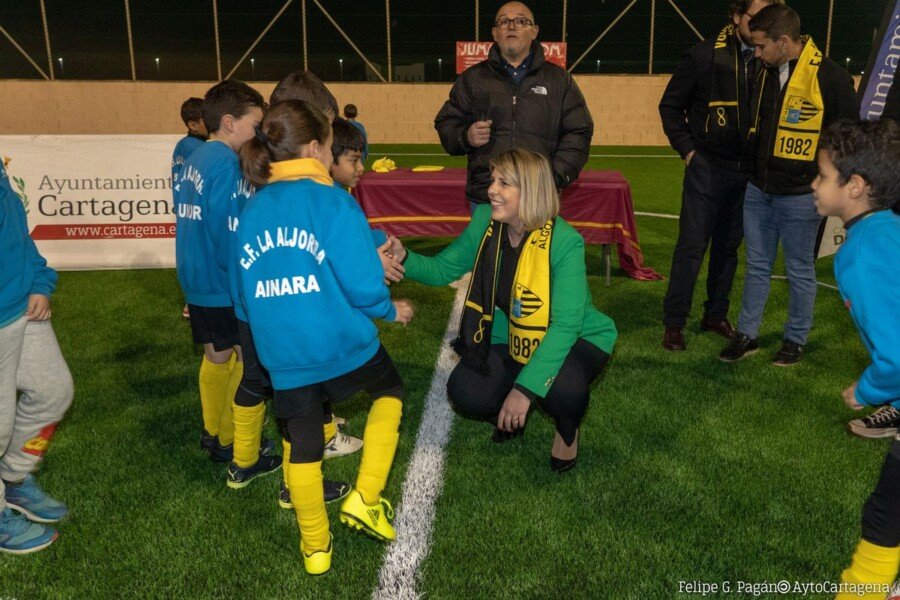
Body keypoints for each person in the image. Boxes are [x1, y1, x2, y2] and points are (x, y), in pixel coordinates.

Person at [237, 99, 413, 575]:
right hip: (341, 341)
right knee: (390, 394)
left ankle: (315, 549)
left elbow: (242, 294)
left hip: (284, 354)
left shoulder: (251, 208)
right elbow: (360, 281)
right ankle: (366, 498)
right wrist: (387, 308)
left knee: (305, 442)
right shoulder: (332, 201)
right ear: (315, 148)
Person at [389, 148, 616, 471]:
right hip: (511, 335)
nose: (492, 190)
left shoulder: (565, 241)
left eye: (504, 183)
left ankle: (567, 429)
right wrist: (404, 257)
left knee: (564, 390)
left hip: (577, 338)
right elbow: (443, 269)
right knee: (466, 391)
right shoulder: (485, 220)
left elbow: (565, 326)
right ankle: (511, 407)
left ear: (531, 190)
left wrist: (523, 391)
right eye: (493, 180)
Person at [719, 4, 858, 365]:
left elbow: (848, 138)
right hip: (758, 189)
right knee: (757, 266)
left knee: (799, 268)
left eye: (763, 46)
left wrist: (825, 182)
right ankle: (746, 334)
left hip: (800, 195)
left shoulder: (832, 78)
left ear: (784, 41)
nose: (757, 52)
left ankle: (794, 339)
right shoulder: (762, 71)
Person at [658, 0, 783, 351]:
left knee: (728, 249)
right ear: (735, 16)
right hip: (707, 169)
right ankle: (674, 322)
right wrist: (689, 151)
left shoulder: (771, 60)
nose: (761, 24)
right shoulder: (702, 56)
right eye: (753, 17)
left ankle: (714, 314)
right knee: (692, 247)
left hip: (748, 174)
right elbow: (670, 107)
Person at [810, 119, 900, 598]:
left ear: (856, 186)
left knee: (885, 516)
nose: (814, 184)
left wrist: (865, 389)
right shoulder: (887, 229)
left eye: (822, 176)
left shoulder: (862, 254)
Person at [174, 80, 278, 480]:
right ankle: (230, 441)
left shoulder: (199, 156)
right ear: (231, 122)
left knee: (216, 355)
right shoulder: (222, 161)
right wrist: (244, 280)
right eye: (256, 124)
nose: (260, 133)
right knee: (242, 357)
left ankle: (212, 430)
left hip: (198, 276)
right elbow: (223, 229)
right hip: (221, 281)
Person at [434, 2, 593, 208]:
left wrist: (550, 178)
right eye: (503, 22)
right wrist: (466, 136)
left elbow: (579, 131)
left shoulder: (559, 80)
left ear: (533, 31)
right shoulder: (472, 79)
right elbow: (447, 122)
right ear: (495, 33)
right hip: (486, 196)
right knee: (485, 242)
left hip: (538, 197)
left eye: (520, 21)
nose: (511, 26)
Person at [0, 157, 73, 553]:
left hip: (23, 306)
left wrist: (40, 281)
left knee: (53, 392)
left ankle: (13, 477)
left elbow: (16, 235)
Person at [172, 97, 208, 320]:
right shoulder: (195, 147)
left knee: (194, 256)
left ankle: (193, 302)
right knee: (202, 256)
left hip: (188, 211)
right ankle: (196, 303)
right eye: (207, 120)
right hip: (196, 211)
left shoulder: (183, 146)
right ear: (192, 124)